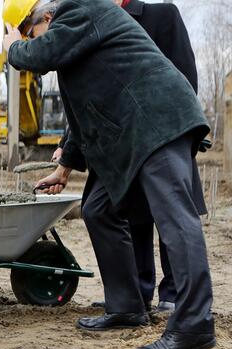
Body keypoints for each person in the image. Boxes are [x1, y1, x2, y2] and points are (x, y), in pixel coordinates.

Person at [2, 0, 215, 349]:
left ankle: (194, 322)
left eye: (30, 33)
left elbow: (38, 54)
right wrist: (65, 168)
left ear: (46, 19)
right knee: (99, 209)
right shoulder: (74, 47)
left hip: (155, 121)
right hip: (131, 137)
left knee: (175, 218)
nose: (32, 42)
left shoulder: (79, 7)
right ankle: (127, 306)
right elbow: (80, 117)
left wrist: (12, 49)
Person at [51, 0, 205, 315]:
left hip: (161, 135)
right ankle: (139, 293)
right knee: (129, 216)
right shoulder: (88, 25)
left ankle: (174, 296)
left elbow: (185, 79)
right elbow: (87, 103)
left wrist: (171, 135)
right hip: (120, 145)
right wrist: (67, 158)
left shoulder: (162, 16)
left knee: (170, 217)